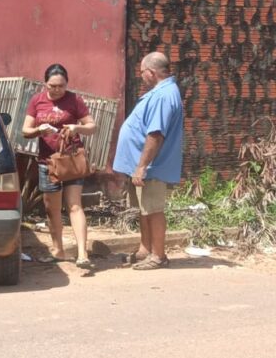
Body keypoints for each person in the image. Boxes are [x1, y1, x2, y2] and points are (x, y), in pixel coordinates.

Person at [113, 51, 183, 270]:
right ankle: (145, 249)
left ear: (151, 72)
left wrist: (142, 166)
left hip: (152, 166)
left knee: (153, 210)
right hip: (142, 165)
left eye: (142, 72)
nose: (141, 76)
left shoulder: (164, 96)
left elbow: (155, 135)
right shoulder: (161, 92)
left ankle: (159, 255)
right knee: (145, 209)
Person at [22, 64, 97, 268]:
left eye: (61, 86)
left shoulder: (74, 100)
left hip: (70, 160)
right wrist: (39, 130)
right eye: (52, 85)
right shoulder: (37, 100)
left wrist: (76, 127)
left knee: (74, 205)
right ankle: (58, 250)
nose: (56, 89)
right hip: (47, 162)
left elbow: (92, 126)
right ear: (45, 83)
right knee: (51, 209)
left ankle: (82, 254)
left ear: (67, 84)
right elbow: (24, 130)